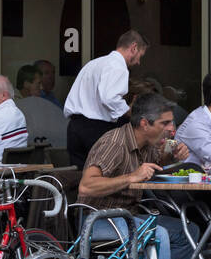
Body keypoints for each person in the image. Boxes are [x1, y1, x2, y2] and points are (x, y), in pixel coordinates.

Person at [77, 93, 211, 259]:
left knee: (187, 232)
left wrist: (172, 155)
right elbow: (86, 186)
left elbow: (155, 163)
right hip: (98, 220)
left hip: (129, 216)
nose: (172, 129)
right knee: (156, 232)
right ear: (144, 124)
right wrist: (131, 177)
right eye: (165, 123)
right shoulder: (114, 143)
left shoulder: (147, 145)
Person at [63, 30, 149, 168]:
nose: (138, 62)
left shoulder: (94, 64)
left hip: (74, 127)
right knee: (101, 177)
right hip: (96, 129)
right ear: (133, 48)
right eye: (140, 56)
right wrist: (129, 111)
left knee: (78, 177)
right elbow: (109, 98)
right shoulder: (118, 66)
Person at [14, 64, 68, 148]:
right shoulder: (12, 106)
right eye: (38, 84)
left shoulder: (42, 102)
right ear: (26, 84)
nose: (41, 88)